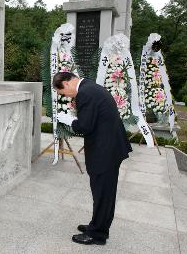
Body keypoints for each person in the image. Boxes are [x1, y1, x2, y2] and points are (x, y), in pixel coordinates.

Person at [53, 71, 132, 245]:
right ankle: (97, 225)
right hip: (109, 147)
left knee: (103, 193)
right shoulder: (90, 86)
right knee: (103, 192)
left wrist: (70, 120)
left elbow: (85, 126)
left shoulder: (85, 93)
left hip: (105, 151)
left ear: (65, 84)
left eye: (62, 93)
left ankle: (97, 234)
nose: (65, 96)